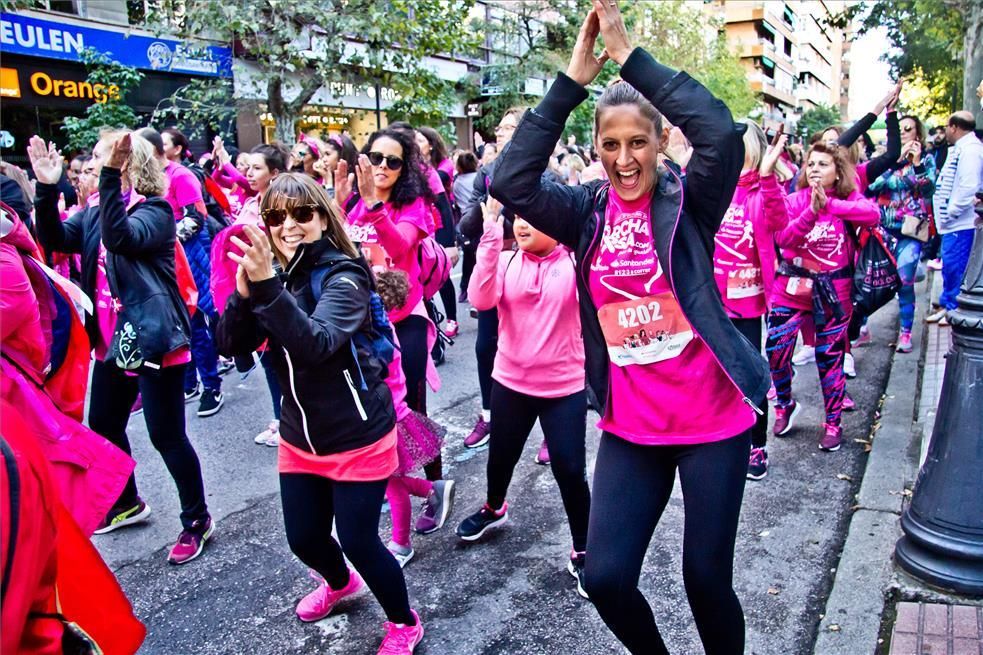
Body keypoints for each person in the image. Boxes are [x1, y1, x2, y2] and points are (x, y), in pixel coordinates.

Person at [489, 3, 769, 652]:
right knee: (607, 575)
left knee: (704, 577)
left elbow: (721, 135)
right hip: (632, 426)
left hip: (712, 421)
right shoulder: (582, 211)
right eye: (609, 144)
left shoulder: (689, 201)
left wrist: (628, 56)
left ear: (660, 141)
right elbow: (509, 178)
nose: (622, 158)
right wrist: (572, 82)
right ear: (595, 149)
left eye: (636, 142)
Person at [215, 173, 424, 654]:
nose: (288, 225)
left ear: (323, 217)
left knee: (359, 541)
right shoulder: (274, 274)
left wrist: (267, 288)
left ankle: (404, 621)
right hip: (299, 437)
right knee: (304, 538)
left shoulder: (343, 274)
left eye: (301, 214)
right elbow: (231, 345)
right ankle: (339, 584)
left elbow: (317, 344)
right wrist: (245, 295)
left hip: (356, 435)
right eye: (276, 216)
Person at [30, 131, 214, 564]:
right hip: (113, 343)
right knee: (105, 425)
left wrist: (110, 177)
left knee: (166, 435)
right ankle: (128, 502)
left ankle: (197, 519)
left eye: (101, 158)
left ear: (126, 163)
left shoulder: (156, 211)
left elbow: (120, 238)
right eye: (95, 159)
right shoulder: (94, 208)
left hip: (153, 338)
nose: (92, 165)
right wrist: (44, 185)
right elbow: (55, 239)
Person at [455, 196, 591, 600]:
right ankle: (495, 508)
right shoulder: (508, 261)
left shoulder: (573, 266)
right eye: (518, 218)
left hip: (563, 387)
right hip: (510, 382)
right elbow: (480, 301)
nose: (522, 225)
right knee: (500, 458)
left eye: (535, 217)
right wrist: (491, 234)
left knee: (569, 470)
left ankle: (584, 548)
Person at [340, 129, 447, 530]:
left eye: (393, 161)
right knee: (375, 413)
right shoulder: (355, 203)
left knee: (413, 413)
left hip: (405, 323)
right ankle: (395, 482)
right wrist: (340, 202)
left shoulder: (412, 205)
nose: (383, 166)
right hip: (365, 325)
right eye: (376, 157)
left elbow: (400, 247)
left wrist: (373, 206)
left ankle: (435, 489)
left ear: (405, 169)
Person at [766, 142, 880, 451]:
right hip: (791, 290)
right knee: (776, 350)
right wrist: (811, 213)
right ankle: (785, 405)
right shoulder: (794, 200)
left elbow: (872, 214)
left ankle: (832, 423)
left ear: (837, 172)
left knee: (829, 359)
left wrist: (829, 207)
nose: (815, 169)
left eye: (823, 164)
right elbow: (784, 238)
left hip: (834, 294)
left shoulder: (847, 200)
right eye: (811, 164)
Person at [714, 120, 790, 480]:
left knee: (750, 372)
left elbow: (780, 220)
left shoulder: (764, 192)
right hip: (711, 301)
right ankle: (720, 439)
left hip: (747, 303)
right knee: (714, 374)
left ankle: (756, 445)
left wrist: (768, 176)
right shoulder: (717, 187)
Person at [210, 142, 290, 446]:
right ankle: (279, 417)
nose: (249, 173)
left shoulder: (282, 206)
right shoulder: (253, 199)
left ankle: (287, 421)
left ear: (275, 173)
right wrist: (226, 163)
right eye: (249, 167)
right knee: (268, 359)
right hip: (251, 287)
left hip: (271, 287)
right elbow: (235, 180)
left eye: (257, 168)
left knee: (278, 359)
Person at [144, 127, 225, 417]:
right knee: (178, 323)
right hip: (165, 260)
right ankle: (189, 382)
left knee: (198, 322)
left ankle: (212, 386)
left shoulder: (180, 176)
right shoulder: (144, 181)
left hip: (190, 257)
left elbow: (197, 218)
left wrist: (160, 238)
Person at [376, 269, 455, 567]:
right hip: (390, 415)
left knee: (391, 480)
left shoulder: (380, 337)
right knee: (386, 480)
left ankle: (401, 544)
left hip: (387, 420)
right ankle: (432, 489)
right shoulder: (386, 330)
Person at [866, 115, 937, 350]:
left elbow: (928, 189)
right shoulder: (884, 161)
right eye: (900, 129)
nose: (904, 132)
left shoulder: (925, 160)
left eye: (909, 129)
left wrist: (915, 164)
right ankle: (862, 327)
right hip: (882, 230)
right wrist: (893, 163)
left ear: (918, 135)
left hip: (911, 231)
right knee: (869, 282)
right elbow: (869, 186)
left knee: (905, 281)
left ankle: (905, 333)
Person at [927, 111, 983, 325]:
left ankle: (954, 309)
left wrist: (951, 211)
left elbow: (969, 186)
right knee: (949, 266)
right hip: (952, 223)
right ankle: (948, 305)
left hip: (960, 222)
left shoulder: (970, 151)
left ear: (953, 127)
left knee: (955, 266)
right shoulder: (963, 149)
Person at [415, 126, 460, 339]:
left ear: (431, 144)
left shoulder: (443, 166)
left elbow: (443, 206)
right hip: (420, 226)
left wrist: (450, 243)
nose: (416, 144)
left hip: (440, 225)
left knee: (441, 275)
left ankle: (452, 318)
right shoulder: (414, 168)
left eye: (420, 140)